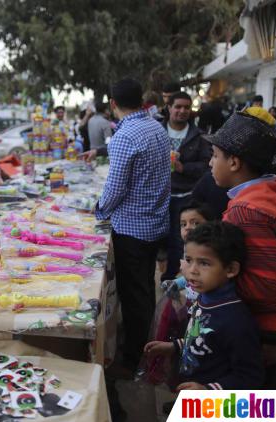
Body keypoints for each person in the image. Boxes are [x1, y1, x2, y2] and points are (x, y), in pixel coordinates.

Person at [207, 109, 276, 389]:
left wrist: (214, 288)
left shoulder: (248, 210)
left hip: (270, 320)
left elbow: (264, 283)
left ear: (234, 162)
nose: (210, 162)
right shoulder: (275, 188)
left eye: (215, 155)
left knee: (250, 388)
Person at [95, 78, 171, 377]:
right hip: (153, 222)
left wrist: (100, 209)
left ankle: (138, 356)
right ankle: (148, 343)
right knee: (143, 289)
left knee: (133, 293)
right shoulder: (156, 127)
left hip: (132, 228)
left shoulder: (126, 134)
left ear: (113, 104)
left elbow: (115, 187)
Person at [145, 221, 263, 390]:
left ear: (230, 269)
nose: (192, 270)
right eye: (189, 260)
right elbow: (202, 337)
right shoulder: (204, 297)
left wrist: (207, 390)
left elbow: (250, 376)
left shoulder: (236, 321)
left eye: (204, 263)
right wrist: (175, 346)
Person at [161, 92, 211, 283]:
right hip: (159, 194)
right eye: (178, 107)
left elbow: (207, 166)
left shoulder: (198, 136)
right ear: (169, 108)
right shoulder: (157, 131)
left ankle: (171, 277)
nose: (182, 111)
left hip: (185, 196)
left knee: (179, 238)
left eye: (186, 108)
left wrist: (184, 168)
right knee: (158, 237)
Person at [160, 201, 216, 302]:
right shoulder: (187, 247)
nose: (188, 228)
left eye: (195, 223)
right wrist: (176, 283)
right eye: (183, 224)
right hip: (192, 302)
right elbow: (191, 275)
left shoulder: (213, 250)